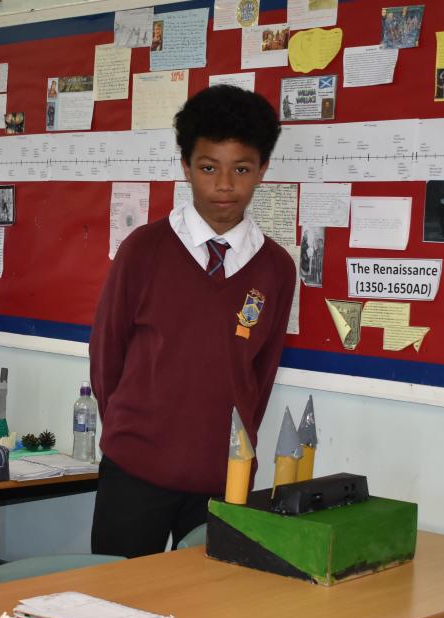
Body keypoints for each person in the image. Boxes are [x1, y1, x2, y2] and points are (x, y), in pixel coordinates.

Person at [89, 84, 296, 558]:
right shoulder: (143, 250)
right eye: (208, 168)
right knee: (115, 593)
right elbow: (106, 356)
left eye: (241, 169)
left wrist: (233, 448)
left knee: (210, 601)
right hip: (134, 470)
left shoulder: (276, 268)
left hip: (223, 476)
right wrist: (131, 432)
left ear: (262, 170)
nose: (224, 185)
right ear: (186, 167)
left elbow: (260, 375)